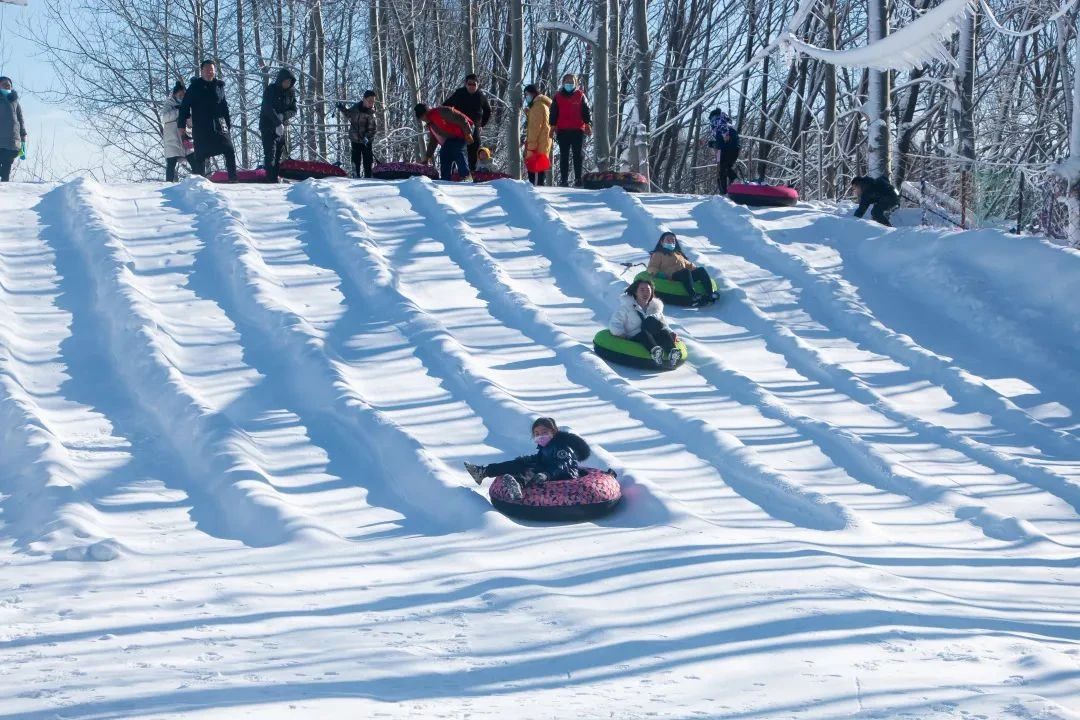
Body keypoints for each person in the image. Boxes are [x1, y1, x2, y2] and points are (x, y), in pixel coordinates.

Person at [464, 417, 592, 501]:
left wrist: (546, 474)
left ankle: (517, 485)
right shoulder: (545, 446)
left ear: (554, 432)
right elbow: (541, 459)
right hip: (549, 472)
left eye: (544, 432)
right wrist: (524, 460)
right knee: (519, 464)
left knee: (531, 470)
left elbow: (562, 465)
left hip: (565, 476)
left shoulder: (561, 446)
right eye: (537, 434)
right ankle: (483, 471)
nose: (540, 436)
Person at [178, 60, 237, 181]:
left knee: (229, 149)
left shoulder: (219, 86)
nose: (209, 72)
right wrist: (182, 126)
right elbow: (184, 106)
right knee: (200, 156)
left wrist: (228, 123)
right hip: (201, 126)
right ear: (202, 71)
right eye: (207, 69)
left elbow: (224, 106)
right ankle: (200, 184)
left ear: (215, 71)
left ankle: (233, 179)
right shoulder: (195, 87)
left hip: (219, 125)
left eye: (212, 69)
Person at [609, 278, 681, 368]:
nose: (645, 293)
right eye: (642, 290)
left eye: (648, 290)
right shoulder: (626, 308)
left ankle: (672, 352)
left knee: (663, 331)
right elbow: (615, 323)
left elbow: (663, 324)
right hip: (635, 337)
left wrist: (671, 333)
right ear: (635, 292)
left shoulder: (655, 308)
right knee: (644, 334)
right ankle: (656, 352)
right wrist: (620, 334)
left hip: (653, 336)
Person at [646, 232, 719, 306]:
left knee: (701, 270)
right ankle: (693, 295)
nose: (671, 242)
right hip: (672, 276)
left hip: (685, 275)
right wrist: (656, 273)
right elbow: (652, 266)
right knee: (685, 272)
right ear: (662, 242)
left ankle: (710, 293)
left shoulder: (678, 254)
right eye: (668, 240)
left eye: (673, 240)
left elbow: (688, 265)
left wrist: (695, 269)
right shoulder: (658, 254)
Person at [548, 73, 592, 187]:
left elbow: (586, 110)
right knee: (564, 155)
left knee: (577, 155)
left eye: (572, 82)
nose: (569, 84)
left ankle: (578, 179)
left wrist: (588, 124)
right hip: (562, 130)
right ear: (563, 83)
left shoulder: (581, 95)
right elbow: (553, 112)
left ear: (576, 83)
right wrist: (552, 126)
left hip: (578, 130)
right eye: (567, 82)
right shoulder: (557, 97)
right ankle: (564, 180)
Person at [443, 73, 492, 173]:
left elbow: (488, 110)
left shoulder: (480, 96)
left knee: (474, 149)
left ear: (477, 85)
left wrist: (482, 124)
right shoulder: (459, 93)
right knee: (457, 149)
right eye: (469, 84)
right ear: (466, 84)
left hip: (475, 126)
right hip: (459, 126)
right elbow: (446, 106)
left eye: (474, 84)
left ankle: (473, 172)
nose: (471, 86)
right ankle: (454, 172)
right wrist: (448, 121)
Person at [415, 102, 474, 181]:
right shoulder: (431, 124)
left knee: (458, 151)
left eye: (423, 117)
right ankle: (445, 178)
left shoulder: (441, 112)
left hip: (465, 129)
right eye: (421, 118)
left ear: (426, 112)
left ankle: (466, 176)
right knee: (444, 153)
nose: (423, 119)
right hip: (453, 137)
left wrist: (468, 133)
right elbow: (434, 140)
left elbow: (461, 119)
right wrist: (427, 156)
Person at [259, 68, 297, 183]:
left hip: (281, 127)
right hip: (268, 125)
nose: (287, 84)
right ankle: (270, 179)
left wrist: (283, 116)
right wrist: (277, 121)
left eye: (289, 82)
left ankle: (275, 177)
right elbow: (267, 107)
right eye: (285, 81)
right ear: (280, 80)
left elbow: (294, 109)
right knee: (270, 152)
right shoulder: (271, 89)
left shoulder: (291, 92)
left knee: (279, 154)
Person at [337, 90, 378, 178]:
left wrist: (367, 137)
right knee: (355, 159)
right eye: (370, 100)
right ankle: (355, 175)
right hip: (355, 139)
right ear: (364, 99)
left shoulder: (371, 114)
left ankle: (368, 177)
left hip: (366, 141)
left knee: (367, 160)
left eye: (373, 101)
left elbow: (373, 129)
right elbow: (348, 114)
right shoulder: (356, 108)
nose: (371, 103)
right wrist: (342, 108)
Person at [162, 81, 196, 182]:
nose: (182, 97)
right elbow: (165, 117)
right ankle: (168, 185)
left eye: (183, 95)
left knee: (194, 162)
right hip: (172, 139)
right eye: (180, 95)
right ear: (174, 94)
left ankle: (198, 183)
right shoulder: (168, 104)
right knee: (171, 164)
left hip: (185, 138)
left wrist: (189, 117)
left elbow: (191, 123)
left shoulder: (187, 105)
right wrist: (179, 112)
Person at [523, 84, 552, 186]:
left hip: (537, 145)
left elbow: (535, 128)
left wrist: (531, 146)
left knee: (534, 175)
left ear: (533, 93)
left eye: (527, 94)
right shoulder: (543, 105)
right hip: (543, 143)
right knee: (540, 173)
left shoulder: (537, 106)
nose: (526, 97)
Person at [0, 76, 26, 183]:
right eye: (4, 83)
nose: (7, 85)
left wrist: (23, 134)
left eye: (9, 84)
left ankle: (5, 188)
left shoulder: (15, 101)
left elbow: (20, 118)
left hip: (13, 139)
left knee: (7, 163)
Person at [707, 110, 740, 194]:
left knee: (722, 170)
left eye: (711, 119)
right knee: (727, 168)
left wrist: (725, 135)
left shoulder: (718, 120)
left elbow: (722, 128)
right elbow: (721, 140)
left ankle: (724, 192)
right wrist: (714, 143)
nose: (711, 122)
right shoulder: (729, 124)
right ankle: (734, 180)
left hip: (725, 150)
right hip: (735, 150)